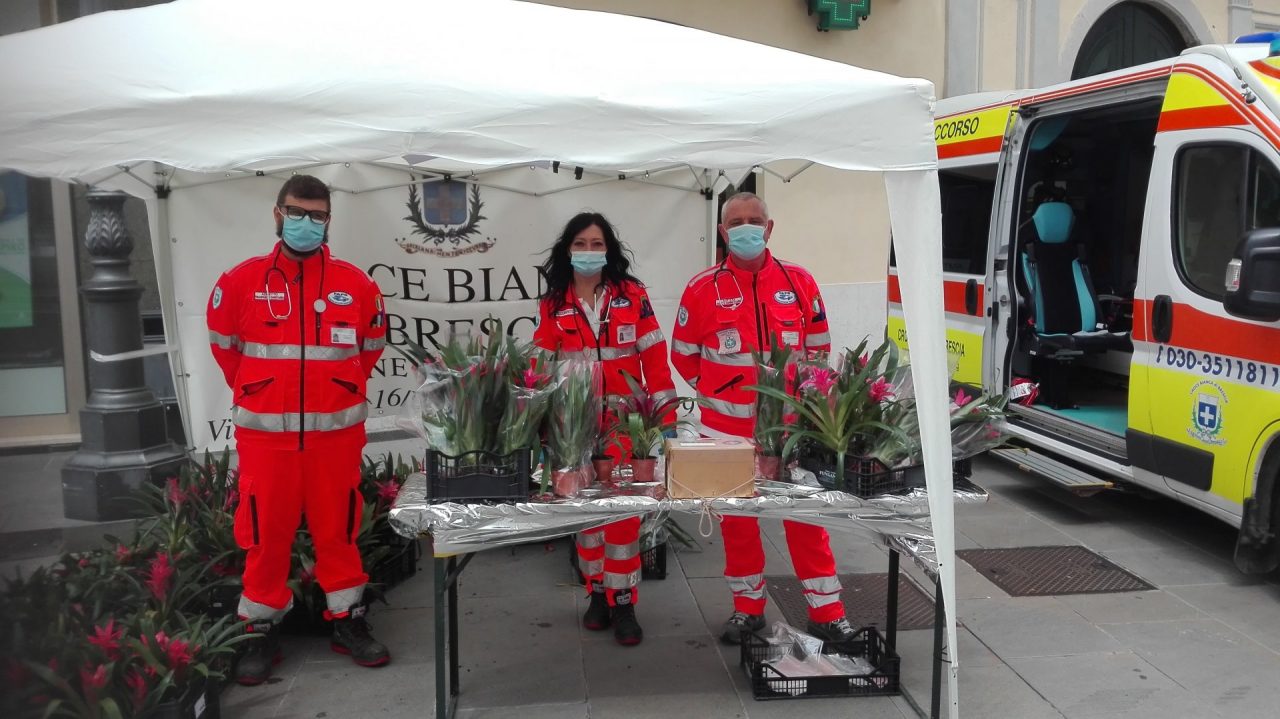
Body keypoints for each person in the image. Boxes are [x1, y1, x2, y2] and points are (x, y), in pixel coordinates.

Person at [207, 175, 390, 684]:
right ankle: (259, 631)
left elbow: (368, 351)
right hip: (268, 442)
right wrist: (266, 394)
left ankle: (347, 619)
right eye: (297, 213)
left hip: (335, 440)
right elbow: (226, 351)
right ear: (277, 213)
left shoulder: (358, 285)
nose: (306, 224)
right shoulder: (241, 282)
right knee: (266, 536)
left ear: (329, 220)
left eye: (317, 216)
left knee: (340, 530)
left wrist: (336, 390)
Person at [670, 191, 857, 645]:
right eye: (736, 222)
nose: (746, 228)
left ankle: (827, 613)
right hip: (726, 433)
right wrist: (722, 396)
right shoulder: (701, 289)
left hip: (793, 431)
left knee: (805, 519)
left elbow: (817, 348)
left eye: (755, 220)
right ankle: (747, 610)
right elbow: (684, 356)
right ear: (722, 232)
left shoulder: (799, 283)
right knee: (738, 523)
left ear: (769, 229)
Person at [534, 212, 676, 646]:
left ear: (609, 249)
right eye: (582, 243)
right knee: (586, 515)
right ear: (568, 249)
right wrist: (540, 428)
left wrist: (665, 423)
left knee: (622, 516)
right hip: (573, 426)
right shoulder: (553, 301)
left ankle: (624, 600)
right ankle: (596, 593)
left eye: (598, 244)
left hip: (625, 426)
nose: (590, 251)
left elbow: (654, 357)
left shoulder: (632, 294)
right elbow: (542, 367)